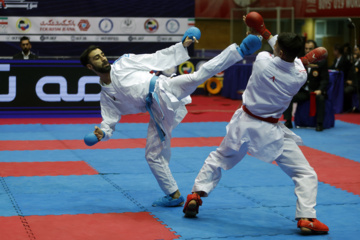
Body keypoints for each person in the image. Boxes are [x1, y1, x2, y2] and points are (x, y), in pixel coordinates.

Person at [183, 12, 329, 235]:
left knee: (219, 158)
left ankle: (196, 194)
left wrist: (260, 29)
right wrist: (306, 58)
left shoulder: (262, 61)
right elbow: (293, 59)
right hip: (270, 131)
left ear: (278, 51)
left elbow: (276, 48)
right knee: (305, 173)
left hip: (243, 124)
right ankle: (306, 218)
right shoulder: (300, 75)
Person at [80, 30, 262, 207]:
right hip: (157, 111)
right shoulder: (106, 97)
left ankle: (239, 51)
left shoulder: (123, 63)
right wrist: (101, 134)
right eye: (97, 58)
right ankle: (173, 195)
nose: (103, 58)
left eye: (102, 54)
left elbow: (155, 58)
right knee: (154, 155)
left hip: (164, 87)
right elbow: (109, 122)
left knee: (198, 75)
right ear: (90, 66)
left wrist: (182, 46)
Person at [283, 40, 329, 131]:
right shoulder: (300, 61)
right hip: (303, 92)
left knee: (320, 99)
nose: (308, 51)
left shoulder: (322, 62)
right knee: (289, 96)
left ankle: (319, 123)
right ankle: (288, 121)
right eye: (306, 48)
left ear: (315, 50)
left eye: (310, 49)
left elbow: (325, 79)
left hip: (316, 91)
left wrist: (320, 90)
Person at [344, 45, 360, 112]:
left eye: (356, 50)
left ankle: (352, 108)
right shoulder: (355, 61)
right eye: (354, 50)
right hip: (354, 83)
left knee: (346, 90)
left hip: (357, 84)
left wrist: (352, 82)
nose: (354, 52)